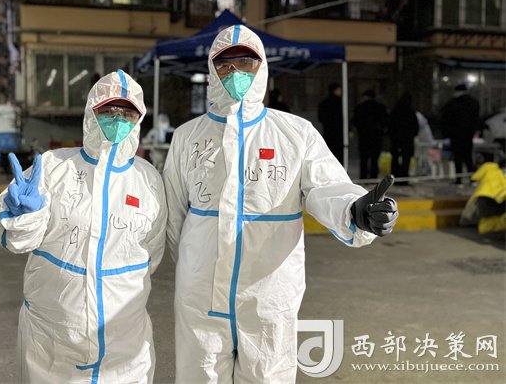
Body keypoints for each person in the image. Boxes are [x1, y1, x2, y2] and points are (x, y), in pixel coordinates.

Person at [163, 25, 398, 383]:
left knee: (268, 376)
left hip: (268, 293)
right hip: (200, 293)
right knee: (199, 376)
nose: (236, 72)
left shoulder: (294, 133)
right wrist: (193, 264)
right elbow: (174, 216)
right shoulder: (187, 137)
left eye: (246, 63)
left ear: (262, 68)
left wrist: (355, 211)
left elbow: (325, 187)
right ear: (212, 70)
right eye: (225, 64)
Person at [0, 70, 167, 383]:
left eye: (127, 112)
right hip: (53, 337)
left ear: (139, 118)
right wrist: (21, 218)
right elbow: (13, 237)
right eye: (108, 110)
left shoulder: (147, 179)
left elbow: (152, 251)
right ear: (91, 113)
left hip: (124, 339)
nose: (118, 119)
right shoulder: (54, 167)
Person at [442, 84, 480, 183]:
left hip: (456, 134)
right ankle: (472, 177)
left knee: (457, 157)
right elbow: (476, 119)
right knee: (468, 156)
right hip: (468, 134)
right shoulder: (473, 103)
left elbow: (446, 118)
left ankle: (458, 178)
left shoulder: (452, 103)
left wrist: (447, 132)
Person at [352, 89, 387, 179]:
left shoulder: (360, 108)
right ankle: (373, 176)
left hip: (364, 136)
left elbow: (355, 121)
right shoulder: (380, 107)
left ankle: (363, 176)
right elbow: (385, 121)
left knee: (364, 158)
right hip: (376, 136)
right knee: (375, 158)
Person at [388, 93, 419, 184]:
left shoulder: (395, 111)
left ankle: (394, 178)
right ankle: (404, 179)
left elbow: (391, 125)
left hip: (396, 139)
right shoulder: (410, 112)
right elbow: (415, 127)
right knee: (406, 159)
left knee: (395, 159)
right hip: (407, 140)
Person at [318, 82, 344, 162]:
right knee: (341, 154)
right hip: (339, 131)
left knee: (329, 153)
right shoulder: (341, 103)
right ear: (336, 90)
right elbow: (344, 117)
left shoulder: (323, 103)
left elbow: (320, 118)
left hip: (328, 131)